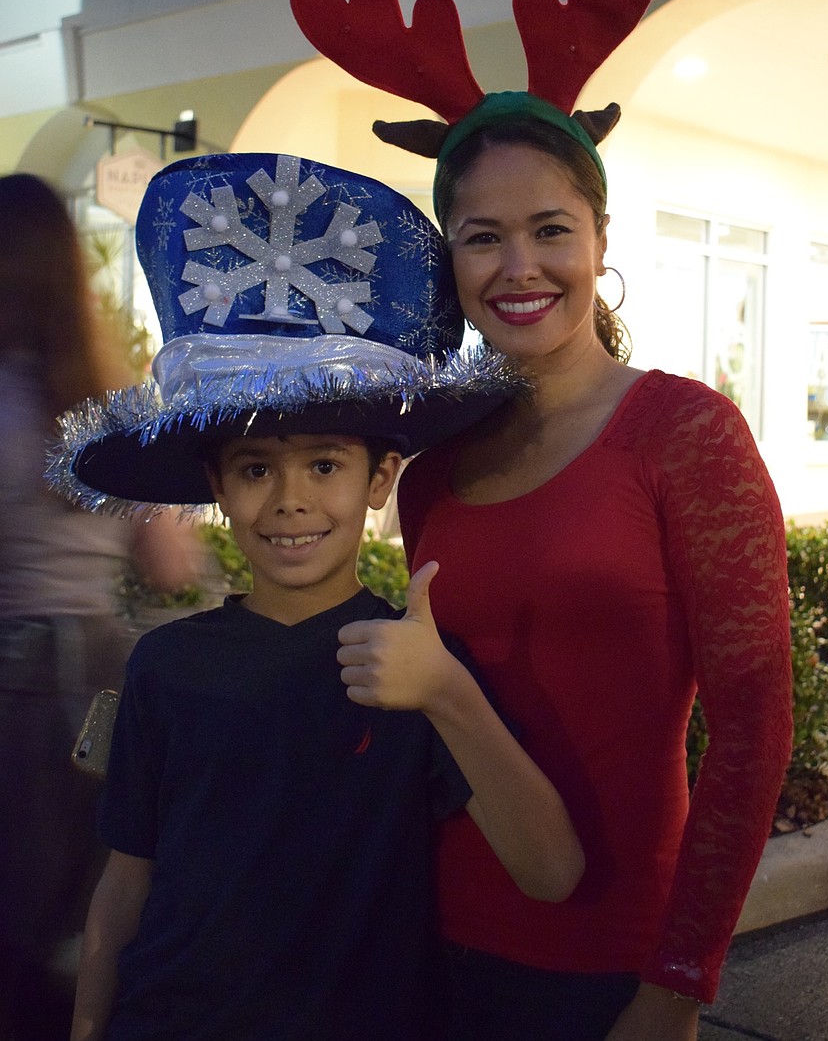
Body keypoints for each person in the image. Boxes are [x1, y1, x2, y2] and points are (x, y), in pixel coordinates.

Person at [289, 0, 794, 1041]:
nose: (519, 268)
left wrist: (676, 983)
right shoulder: (435, 467)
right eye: (481, 238)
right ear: (450, 259)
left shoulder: (684, 436)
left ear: (598, 237)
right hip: (433, 935)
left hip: (612, 960)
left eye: (550, 229)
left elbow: (756, 727)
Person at [53, 151, 584, 1041]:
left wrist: (446, 692)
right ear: (217, 485)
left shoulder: (414, 664)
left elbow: (552, 869)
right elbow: (124, 886)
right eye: (255, 468)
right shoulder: (166, 666)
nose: (290, 499)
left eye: (327, 464)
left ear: (381, 478)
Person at [0, 173, 202, 1041]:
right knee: (94, 917)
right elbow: (174, 565)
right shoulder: (114, 403)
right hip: (108, 683)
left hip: (16, 687)